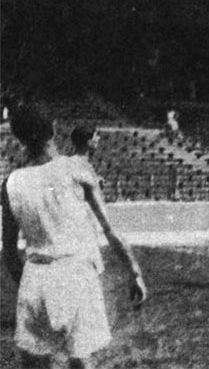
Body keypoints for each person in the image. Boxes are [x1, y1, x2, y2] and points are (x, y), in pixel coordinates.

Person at [1, 104, 147, 369]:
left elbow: (9, 252)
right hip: (75, 274)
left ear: (20, 139)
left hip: (34, 278)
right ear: (54, 129)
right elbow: (110, 230)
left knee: (34, 362)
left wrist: (33, 285)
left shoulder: (11, 182)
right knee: (80, 360)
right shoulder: (76, 168)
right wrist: (134, 272)